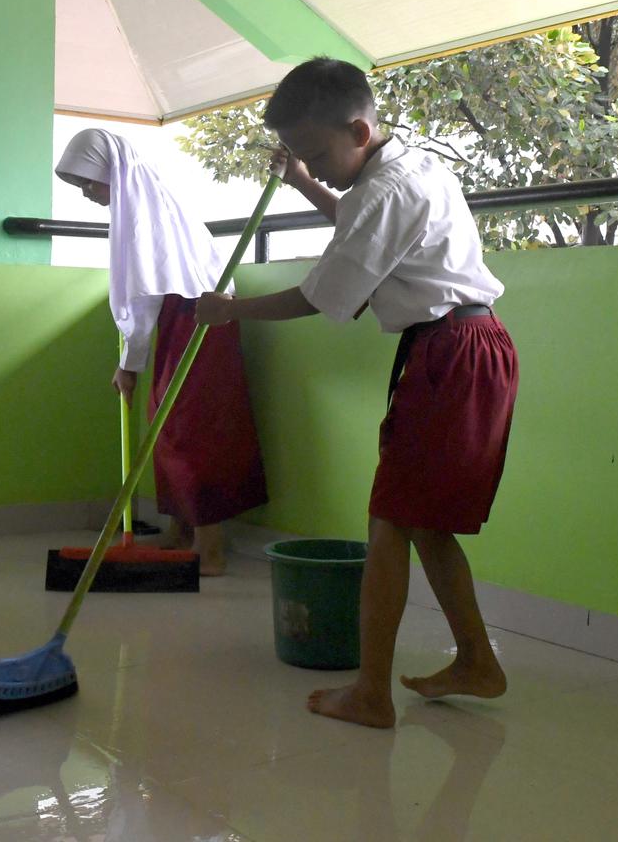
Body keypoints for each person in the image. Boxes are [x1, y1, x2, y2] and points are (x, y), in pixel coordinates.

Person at [195, 58, 518, 726]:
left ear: (359, 129)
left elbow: (323, 294)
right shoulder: (409, 167)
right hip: (465, 348)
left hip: (449, 355)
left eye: (316, 152)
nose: (312, 161)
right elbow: (365, 227)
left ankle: (371, 693)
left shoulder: (382, 191)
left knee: (388, 523)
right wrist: (308, 181)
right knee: (420, 523)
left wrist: (230, 313)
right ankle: (477, 662)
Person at [56, 129, 267, 575]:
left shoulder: (143, 215)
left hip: (200, 318)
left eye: (90, 182)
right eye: (81, 186)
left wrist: (128, 365)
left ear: (112, 173)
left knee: (192, 431)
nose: (88, 193)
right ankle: (180, 532)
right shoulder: (147, 201)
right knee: (167, 425)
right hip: (190, 315)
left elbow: (144, 295)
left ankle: (209, 549)